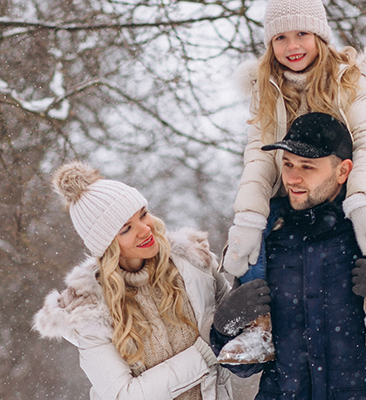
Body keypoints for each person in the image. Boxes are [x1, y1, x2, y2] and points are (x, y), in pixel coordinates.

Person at [221, 0, 366, 359]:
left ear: (320, 35)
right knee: (255, 228)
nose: (292, 46)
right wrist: (248, 217)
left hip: (353, 176)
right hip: (286, 186)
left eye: (302, 33)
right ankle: (258, 327)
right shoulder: (266, 87)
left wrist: (361, 198)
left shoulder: (347, 78)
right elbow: (259, 157)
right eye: (281, 38)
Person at [211, 113, 366, 399]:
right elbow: (245, 365)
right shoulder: (267, 237)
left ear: (343, 171)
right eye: (287, 164)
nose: (293, 177)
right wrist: (224, 327)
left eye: (308, 166)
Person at [33, 161, 233, 400]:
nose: (145, 230)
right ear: (107, 246)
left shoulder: (194, 263)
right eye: (126, 228)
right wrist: (205, 352)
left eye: (143, 215)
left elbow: (236, 326)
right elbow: (125, 395)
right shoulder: (88, 312)